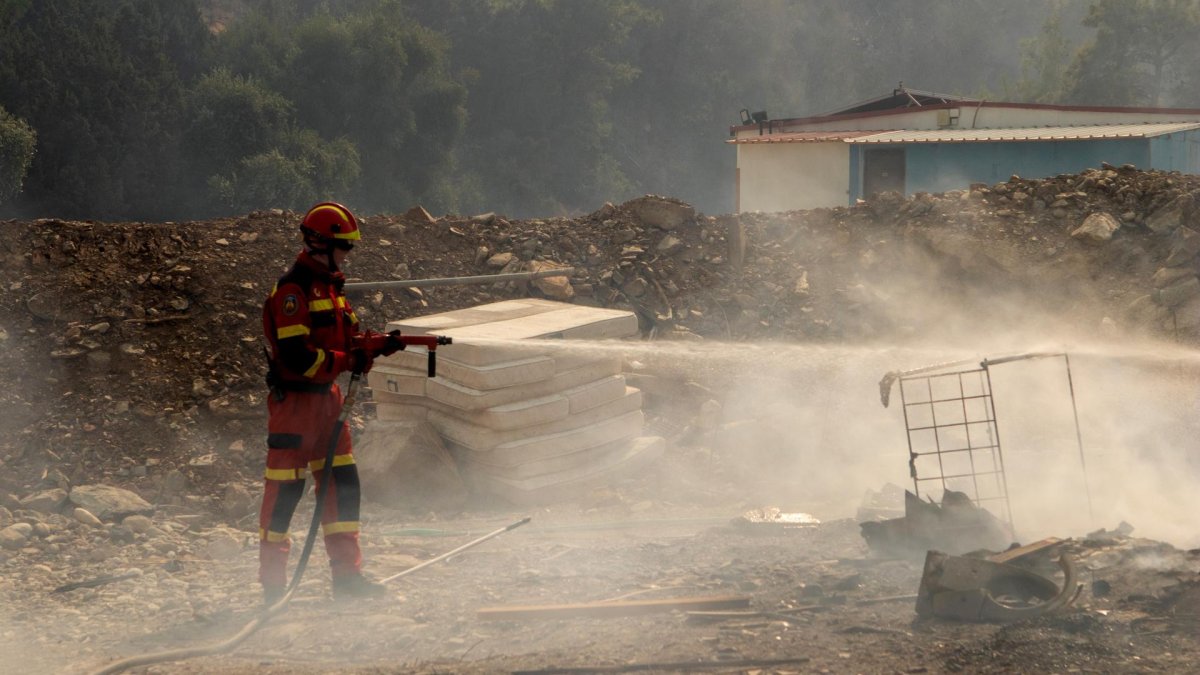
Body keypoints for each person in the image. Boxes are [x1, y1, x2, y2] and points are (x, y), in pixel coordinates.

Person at [258, 201, 402, 604]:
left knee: (343, 488)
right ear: (322, 243)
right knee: (284, 498)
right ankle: (272, 588)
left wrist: (376, 347)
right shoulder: (294, 290)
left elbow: (347, 341)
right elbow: (299, 358)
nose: (348, 256)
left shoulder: (331, 290)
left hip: (329, 403)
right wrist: (348, 360)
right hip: (296, 408)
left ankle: (348, 580)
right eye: (346, 247)